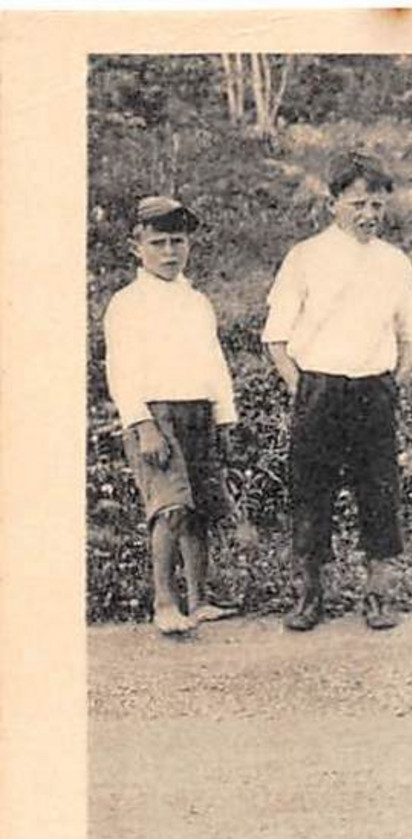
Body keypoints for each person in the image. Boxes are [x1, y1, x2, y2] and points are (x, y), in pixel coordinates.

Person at [263, 152, 412, 631]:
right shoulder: (306, 257)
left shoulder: (394, 263)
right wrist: (302, 388)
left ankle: (377, 597)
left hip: (374, 392)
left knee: (379, 493)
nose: (369, 215)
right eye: (359, 203)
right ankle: (309, 597)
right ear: (333, 203)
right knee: (311, 494)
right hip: (318, 389)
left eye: (377, 205)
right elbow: (276, 336)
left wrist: (393, 382)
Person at [103, 195, 242, 636]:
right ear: (135, 247)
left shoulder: (197, 301)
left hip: (197, 410)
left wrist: (225, 417)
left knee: (198, 507)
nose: (168, 253)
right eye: (158, 242)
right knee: (171, 507)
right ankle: (164, 601)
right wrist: (142, 425)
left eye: (177, 241)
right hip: (155, 417)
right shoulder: (127, 304)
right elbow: (121, 369)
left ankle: (199, 599)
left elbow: (213, 361)